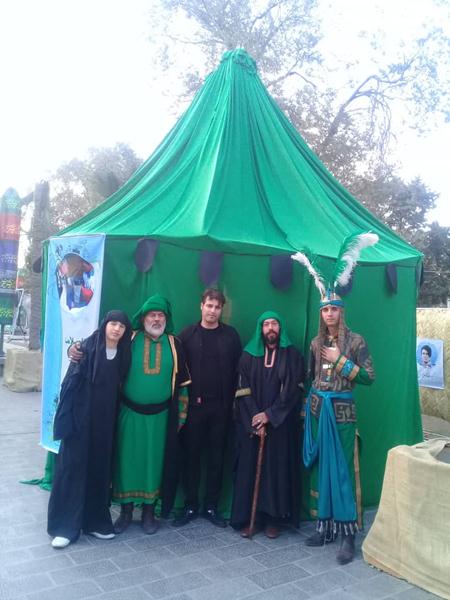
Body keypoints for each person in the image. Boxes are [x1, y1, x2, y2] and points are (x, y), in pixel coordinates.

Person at [69, 294, 191, 535]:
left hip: (161, 419)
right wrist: (75, 348)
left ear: (166, 319)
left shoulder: (175, 344)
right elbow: (101, 347)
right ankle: (125, 512)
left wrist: (181, 416)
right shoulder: (129, 338)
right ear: (143, 318)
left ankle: (148, 513)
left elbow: (184, 385)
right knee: (126, 462)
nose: (156, 319)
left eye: (161, 315)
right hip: (128, 415)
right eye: (152, 315)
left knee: (154, 465)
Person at [292, 232, 377, 565]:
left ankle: (348, 535)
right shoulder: (315, 344)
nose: (329, 313)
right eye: (325, 309)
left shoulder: (356, 342)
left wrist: (341, 361)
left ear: (342, 312)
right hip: (318, 410)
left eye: (334, 309)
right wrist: (307, 407)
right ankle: (324, 527)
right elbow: (312, 377)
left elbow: (369, 377)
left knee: (342, 471)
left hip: (342, 413)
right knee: (321, 470)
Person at [48, 310, 132, 549]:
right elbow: (69, 384)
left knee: (99, 470)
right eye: (113, 324)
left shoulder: (124, 353)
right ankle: (65, 527)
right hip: (80, 420)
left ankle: (94, 523)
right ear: (105, 325)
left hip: (104, 423)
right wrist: (67, 421)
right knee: (73, 470)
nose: (116, 329)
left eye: (121, 326)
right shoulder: (85, 348)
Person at [230, 311, 303, 539]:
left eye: (274, 324)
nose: (270, 328)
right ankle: (251, 519)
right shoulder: (247, 356)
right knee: (250, 470)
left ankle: (274, 519)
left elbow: (292, 391)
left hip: (280, 426)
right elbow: (242, 390)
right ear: (260, 329)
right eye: (266, 324)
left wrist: (269, 416)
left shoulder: (292, 356)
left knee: (276, 471)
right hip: (252, 426)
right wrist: (256, 419)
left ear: (280, 328)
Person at [173, 289, 241, 528]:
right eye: (209, 305)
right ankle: (190, 505)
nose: (212, 311)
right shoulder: (186, 335)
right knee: (191, 457)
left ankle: (212, 506)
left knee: (217, 458)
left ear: (222, 310)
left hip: (221, 409)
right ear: (201, 306)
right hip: (193, 409)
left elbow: (239, 370)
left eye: (217, 307)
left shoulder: (231, 336)